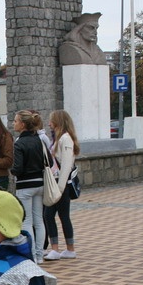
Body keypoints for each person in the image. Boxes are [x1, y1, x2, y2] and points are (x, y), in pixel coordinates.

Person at [11, 109, 52, 264]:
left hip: (25, 185)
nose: (13, 124)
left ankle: (32, 256)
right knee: (38, 220)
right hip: (40, 183)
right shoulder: (39, 140)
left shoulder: (19, 143)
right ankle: (40, 255)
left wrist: (12, 170)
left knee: (27, 221)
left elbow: (18, 168)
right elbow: (50, 162)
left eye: (15, 121)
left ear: (22, 124)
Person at [43, 110, 79, 260]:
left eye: (51, 120)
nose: (49, 123)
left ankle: (64, 248)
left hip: (60, 183)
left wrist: (60, 187)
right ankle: (60, 248)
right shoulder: (58, 138)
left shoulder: (65, 139)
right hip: (56, 182)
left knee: (57, 215)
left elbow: (66, 165)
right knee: (54, 215)